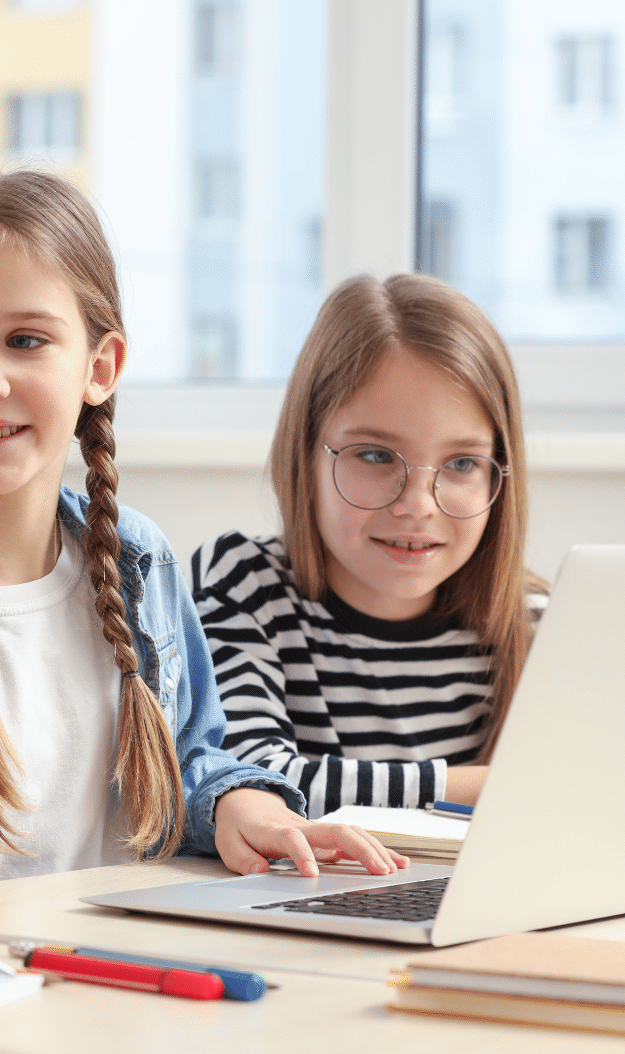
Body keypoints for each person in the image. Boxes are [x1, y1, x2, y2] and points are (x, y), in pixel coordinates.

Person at [0, 168, 406, 889]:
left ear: (100, 367)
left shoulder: (142, 562)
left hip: (122, 973)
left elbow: (188, 765)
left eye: (26, 340)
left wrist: (239, 802)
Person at [190, 274, 545, 820]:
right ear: (306, 449)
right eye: (376, 456)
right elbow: (251, 777)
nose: (419, 505)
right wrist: (493, 787)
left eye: (461, 464)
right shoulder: (242, 586)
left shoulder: (537, 622)